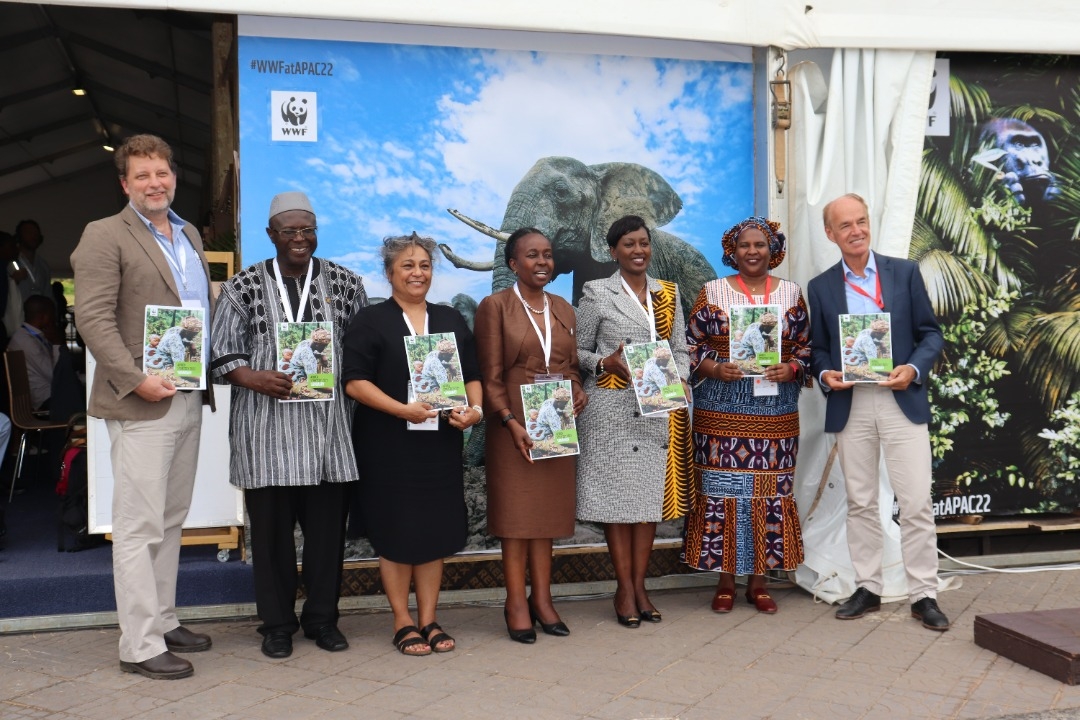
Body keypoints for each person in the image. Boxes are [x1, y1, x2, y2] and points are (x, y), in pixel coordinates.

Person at [71, 134, 215, 680]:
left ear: (173, 176)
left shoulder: (189, 233)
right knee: (139, 525)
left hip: (188, 393)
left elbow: (194, 305)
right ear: (125, 184)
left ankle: (163, 617)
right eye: (142, 176)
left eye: (162, 173)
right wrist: (135, 380)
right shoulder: (104, 235)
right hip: (142, 402)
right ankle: (139, 644)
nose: (155, 183)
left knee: (172, 519)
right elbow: (93, 319)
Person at [212, 190, 367, 659]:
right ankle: (276, 625)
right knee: (272, 541)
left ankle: (322, 620)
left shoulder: (345, 282)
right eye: (290, 231)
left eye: (308, 230)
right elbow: (220, 350)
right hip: (267, 433)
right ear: (271, 235)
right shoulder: (243, 286)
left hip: (327, 435)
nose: (300, 239)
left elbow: (362, 350)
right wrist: (251, 377)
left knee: (325, 540)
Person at [807, 193, 950, 631]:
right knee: (861, 502)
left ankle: (923, 593)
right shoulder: (821, 286)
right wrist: (826, 372)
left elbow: (931, 334)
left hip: (900, 397)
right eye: (846, 225)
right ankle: (867, 586)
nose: (857, 231)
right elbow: (819, 349)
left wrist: (913, 368)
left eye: (862, 221)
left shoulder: (904, 273)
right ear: (831, 234)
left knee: (915, 502)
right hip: (853, 402)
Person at [343, 232, 482, 656]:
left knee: (434, 532)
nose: (417, 272)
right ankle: (403, 621)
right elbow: (354, 382)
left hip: (438, 444)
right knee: (396, 531)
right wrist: (401, 410)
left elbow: (471, 374)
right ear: (389, 273)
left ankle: (430, 618)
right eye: (407, 265)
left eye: (424, 265)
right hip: (386, 446)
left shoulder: (449, 320)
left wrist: (474, 410)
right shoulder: (371, 320)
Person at [681, 217, 809, 614]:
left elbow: (806, 347)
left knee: (768, 492)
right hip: (720, 412)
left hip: (776, 413)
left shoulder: (791, 293)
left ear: (773, 250)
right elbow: (689, 346)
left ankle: (759, 582)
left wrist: (791, 368)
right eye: (744, 246)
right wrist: (716, 368)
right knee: (723, 493)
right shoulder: (712, 291)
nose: (752, 252)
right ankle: (724, 582)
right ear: (731, 252)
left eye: (760, 245)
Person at [575, 214, 693, 628]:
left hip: (656, 410)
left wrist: (677, 379)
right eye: (629, 244)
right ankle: (625, 590)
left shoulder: (667, 294)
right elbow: (579, 353)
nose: (638, 250)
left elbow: (680, 348)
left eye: (643, 242)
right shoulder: (597, 292)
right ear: (613, 251)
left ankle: (640, 587)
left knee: (646, 507)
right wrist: (605, 362)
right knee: (616, 506)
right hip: (611, 412)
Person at [473, 228, 587, 644]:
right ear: (512, 264)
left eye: (548, 255)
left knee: (546, 518)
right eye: (532, 255)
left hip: (554, 418)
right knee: (517, 517)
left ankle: (542, 599)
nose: (542, 262)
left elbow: (571, 367)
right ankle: (515, 603)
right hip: (514, 424)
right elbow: (489, 376)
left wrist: (576, 388)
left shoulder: (563, 309)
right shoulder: (495, 306)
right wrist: (508, 420)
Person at [7, 295, 61, 411]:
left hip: (49, 393)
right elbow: (55, 376)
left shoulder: (29, 335)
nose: (54, 319)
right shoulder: (27, 341)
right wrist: (57, 343)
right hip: (45, 398)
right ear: (44, 316)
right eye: (52, 314)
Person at [11, 219, 52, 302]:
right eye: (28, 233)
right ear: (19, 237)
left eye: (36, 233)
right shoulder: (9, 262)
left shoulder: (43, 266)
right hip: (15, 313)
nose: (33, 236)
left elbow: (48, 294)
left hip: (37, 312)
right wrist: (13, 281)